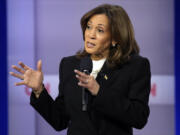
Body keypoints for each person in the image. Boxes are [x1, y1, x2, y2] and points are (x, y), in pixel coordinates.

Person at [10, 4, 151, 135]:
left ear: (115, 38)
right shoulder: (70, 65)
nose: (91, 34)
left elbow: (138, 117)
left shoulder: (135, 66)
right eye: (89, 27)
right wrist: (39, 90)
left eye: (100, 30)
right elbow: (60, 120)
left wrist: (98, 91)